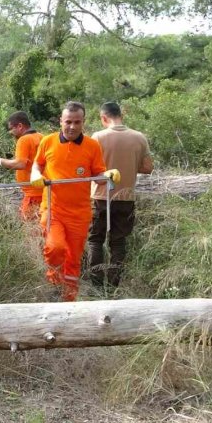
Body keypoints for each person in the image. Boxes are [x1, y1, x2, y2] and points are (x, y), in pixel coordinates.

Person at [31, 102, 119, 302]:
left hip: (79, 214)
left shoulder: (92, 145)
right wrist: (35, 174)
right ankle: (54, 286)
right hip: (53, 209)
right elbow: (37, 163)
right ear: (61, 121)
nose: (72, 126)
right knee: (55, 248)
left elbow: (97, 175)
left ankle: (69, 300)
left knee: (73, 258)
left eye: (76, 122)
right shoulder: (47, 141)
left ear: (83, 122)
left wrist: (108, 175)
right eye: (68, 122)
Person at [87, 102, 153, 292]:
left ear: (103, 118)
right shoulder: (139, 137)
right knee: (119, 241)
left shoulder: (98, 137)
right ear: (121, 115)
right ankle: (114, 286)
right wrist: (131, 165)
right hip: (126, 197)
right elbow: (148, 168)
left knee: (95, 240)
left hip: (100, 196)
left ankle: (97, 285)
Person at [0, 111, 44, 220]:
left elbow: (20, 164)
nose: (10, 132)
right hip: (43, 190)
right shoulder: (41, 136)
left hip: (32, 193)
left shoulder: (24, 140)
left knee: (30, 228)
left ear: (20, 126)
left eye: (11, 128)